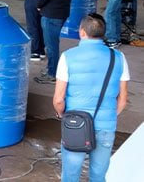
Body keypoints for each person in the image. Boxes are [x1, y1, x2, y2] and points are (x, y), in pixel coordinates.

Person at [52, 14, 129, 181]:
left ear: (82, 32)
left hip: (75, 125)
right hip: (106, 125)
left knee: (71, 175)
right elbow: (122, 100)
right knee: (99, 175)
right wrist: (107, 116)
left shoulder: (67, 57)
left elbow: (58, 99)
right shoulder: (119, 57)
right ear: (103, 33)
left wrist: (61, 114)